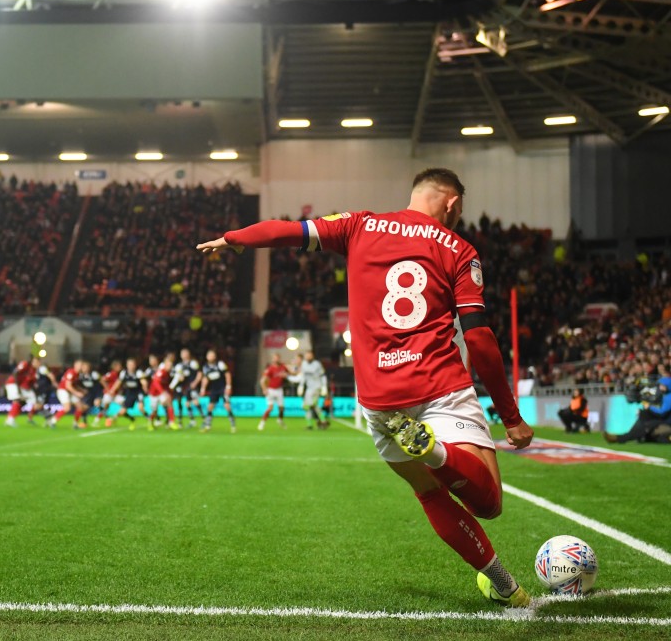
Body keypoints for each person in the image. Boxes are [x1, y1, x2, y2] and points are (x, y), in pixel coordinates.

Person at [197, 167, 535, 607]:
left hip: (380, 401)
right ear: (451, 203)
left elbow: (287, 231)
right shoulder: (459, 248)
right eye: (459, 211)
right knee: (487, 501)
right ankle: (435, 450)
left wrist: (235, 237)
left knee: (429, 493)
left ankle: (504, 584)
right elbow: (479, 340)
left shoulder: (358, 225)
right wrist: (511, 418)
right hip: (439, 386)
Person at [604, 375, 671, 444]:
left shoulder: (669, 397)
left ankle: (620, 438)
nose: (660, 387)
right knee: (644, 415)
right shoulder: (665, 395)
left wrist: (649, 407)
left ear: (667, 386)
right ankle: (637, 437)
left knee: (646, 424)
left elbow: (662, 412)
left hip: (666, 422)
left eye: (662, 385)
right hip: (663, 420)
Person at [199, 349, 236, 433]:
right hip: (214, 389)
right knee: (210, 406)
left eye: (212, 355)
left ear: (215, 356)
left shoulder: (220, 364)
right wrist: (203, 389)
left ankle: (233, 424)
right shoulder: (205, 367)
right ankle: (208, 425)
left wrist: (228, 386)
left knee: (227, 405)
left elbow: (227, 375)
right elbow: (205, 378)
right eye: (209, 355)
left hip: (222, 388)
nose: (211, 357)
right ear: (207, 357)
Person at [106, 357, 146, 430]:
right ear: (127, 365)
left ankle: (150, 420)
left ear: (135, 365)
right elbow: (118, 382)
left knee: (141, 408)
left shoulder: (138, 372)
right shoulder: (124, 373)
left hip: (138, 392)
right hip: (129, 393)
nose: (131, 366)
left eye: (132, 364)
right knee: (122, 412)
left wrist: (145, 385)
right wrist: (112, 390)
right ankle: (132, 420)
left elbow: (143, 381)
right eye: (129, 365)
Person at [170, 348, 204, 427]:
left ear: (188, 354)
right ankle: (192, 420)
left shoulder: (193, 363)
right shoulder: (179, 365)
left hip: (192, 386)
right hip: (184, 387)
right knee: (187, 403)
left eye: (185, 353)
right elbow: (174, 374)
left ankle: (204, 419)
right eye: (182, 353)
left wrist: (195, 382)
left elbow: (199, 373)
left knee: (195, 401)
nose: (183, 355)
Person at [297, 350, 329, 430]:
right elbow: (303, 376)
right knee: (309, 407)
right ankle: (311, 424)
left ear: (312, 356)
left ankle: (322, 421)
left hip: (316, 387)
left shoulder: (317, 364)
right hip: (308, 388)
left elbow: (322, 375)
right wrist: (301, 386)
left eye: (309, 355)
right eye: (307, 355)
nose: (308, 357)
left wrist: (324, 386)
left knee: (312, 405)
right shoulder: (304, 364)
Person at [258, 352, 290, 431]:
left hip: (279, 390)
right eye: (275, 358)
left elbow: (290, 373)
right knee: (270, 408)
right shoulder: (270, 368)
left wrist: (288, 374)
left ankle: (280, 420)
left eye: (277, 358)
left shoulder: (283, 367)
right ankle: (262, 423)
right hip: (271, 390)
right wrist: (264, 389)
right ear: (273, 359)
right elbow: (262, 380)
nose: (276, 359)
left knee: (281, 408)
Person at [4, 355, 37, 428]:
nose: (37, 363)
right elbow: (15, 373)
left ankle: (10, 419)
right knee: (17, 401)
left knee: (22, 402)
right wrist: (18, 387)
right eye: (35, 361)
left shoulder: (33, 370)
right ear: (31, 360)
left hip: (18, 385)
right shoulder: (25, 364)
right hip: (12, 383)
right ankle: (10, 420)